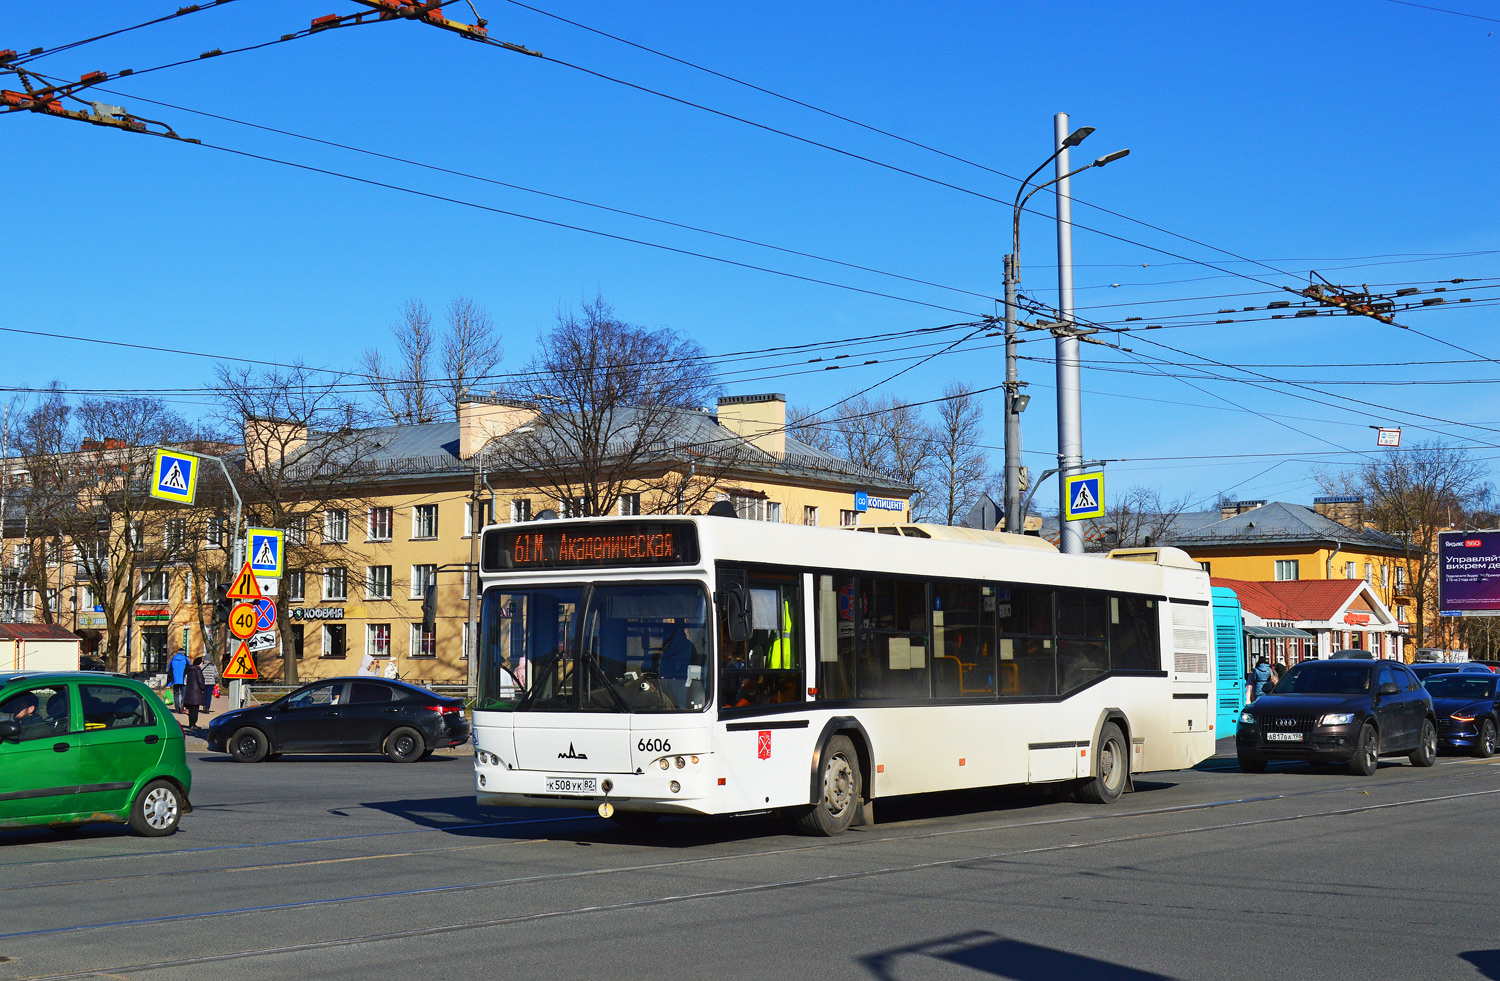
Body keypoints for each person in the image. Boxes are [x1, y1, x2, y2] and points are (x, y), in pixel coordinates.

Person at [183, 656, 210, 728]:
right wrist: (204, 689)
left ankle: (191, 724)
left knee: (191, 709)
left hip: (189, 692)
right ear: (199, 663)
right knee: (195, 709)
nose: (202, 664)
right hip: (196, 693)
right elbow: (200, 681)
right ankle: (193, 724)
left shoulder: (190, 670)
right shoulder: (198, 670)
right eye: (202, 663)